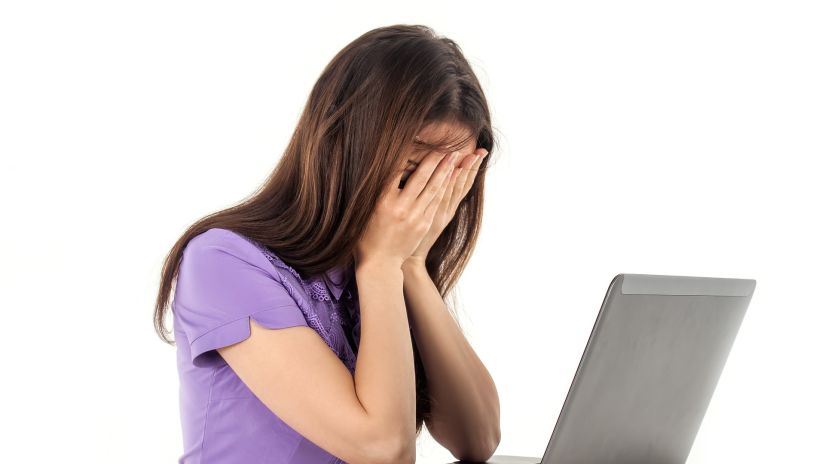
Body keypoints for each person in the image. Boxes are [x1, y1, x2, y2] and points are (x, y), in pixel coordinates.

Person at [153, 24, 499, 464]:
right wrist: (382, 265)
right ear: (349, 143)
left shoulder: (380, 270)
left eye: (448, 175)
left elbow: (478, 439)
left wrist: (410, 266)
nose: (427, 196)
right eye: (415, 168)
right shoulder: (221, 262)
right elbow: (383, 450)